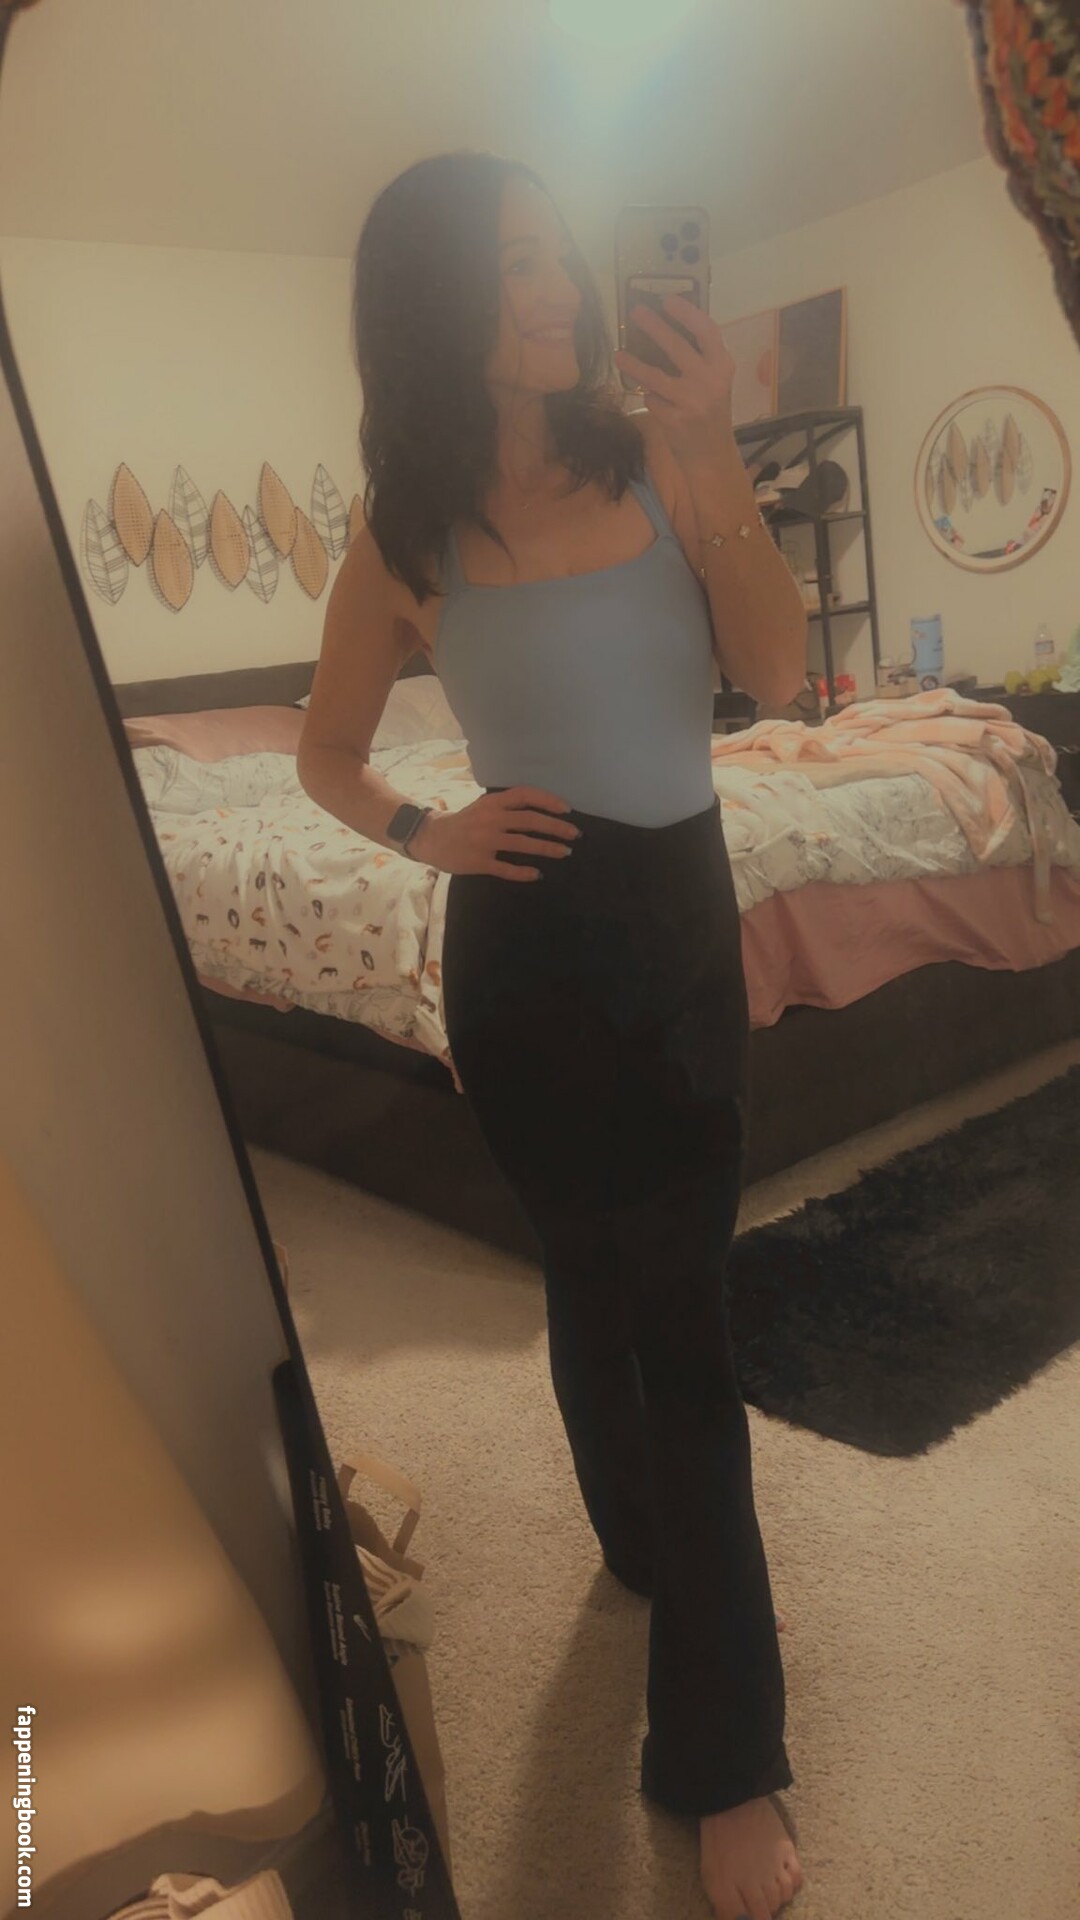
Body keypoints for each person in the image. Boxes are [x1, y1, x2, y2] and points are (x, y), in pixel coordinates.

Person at [298, 150, 808, 1920]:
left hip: (675, 933)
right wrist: (422, 830)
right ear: (435, 304)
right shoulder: (405, 529)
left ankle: (723, 1757)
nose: (555, 289)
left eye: (553, 255)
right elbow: (324, 753)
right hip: (519, 955)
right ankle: (638, 1545)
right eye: (511, 265)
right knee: (589, 1286)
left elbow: (781, 674)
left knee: (688, 1325)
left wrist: (714, 447)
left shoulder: (661, 452)